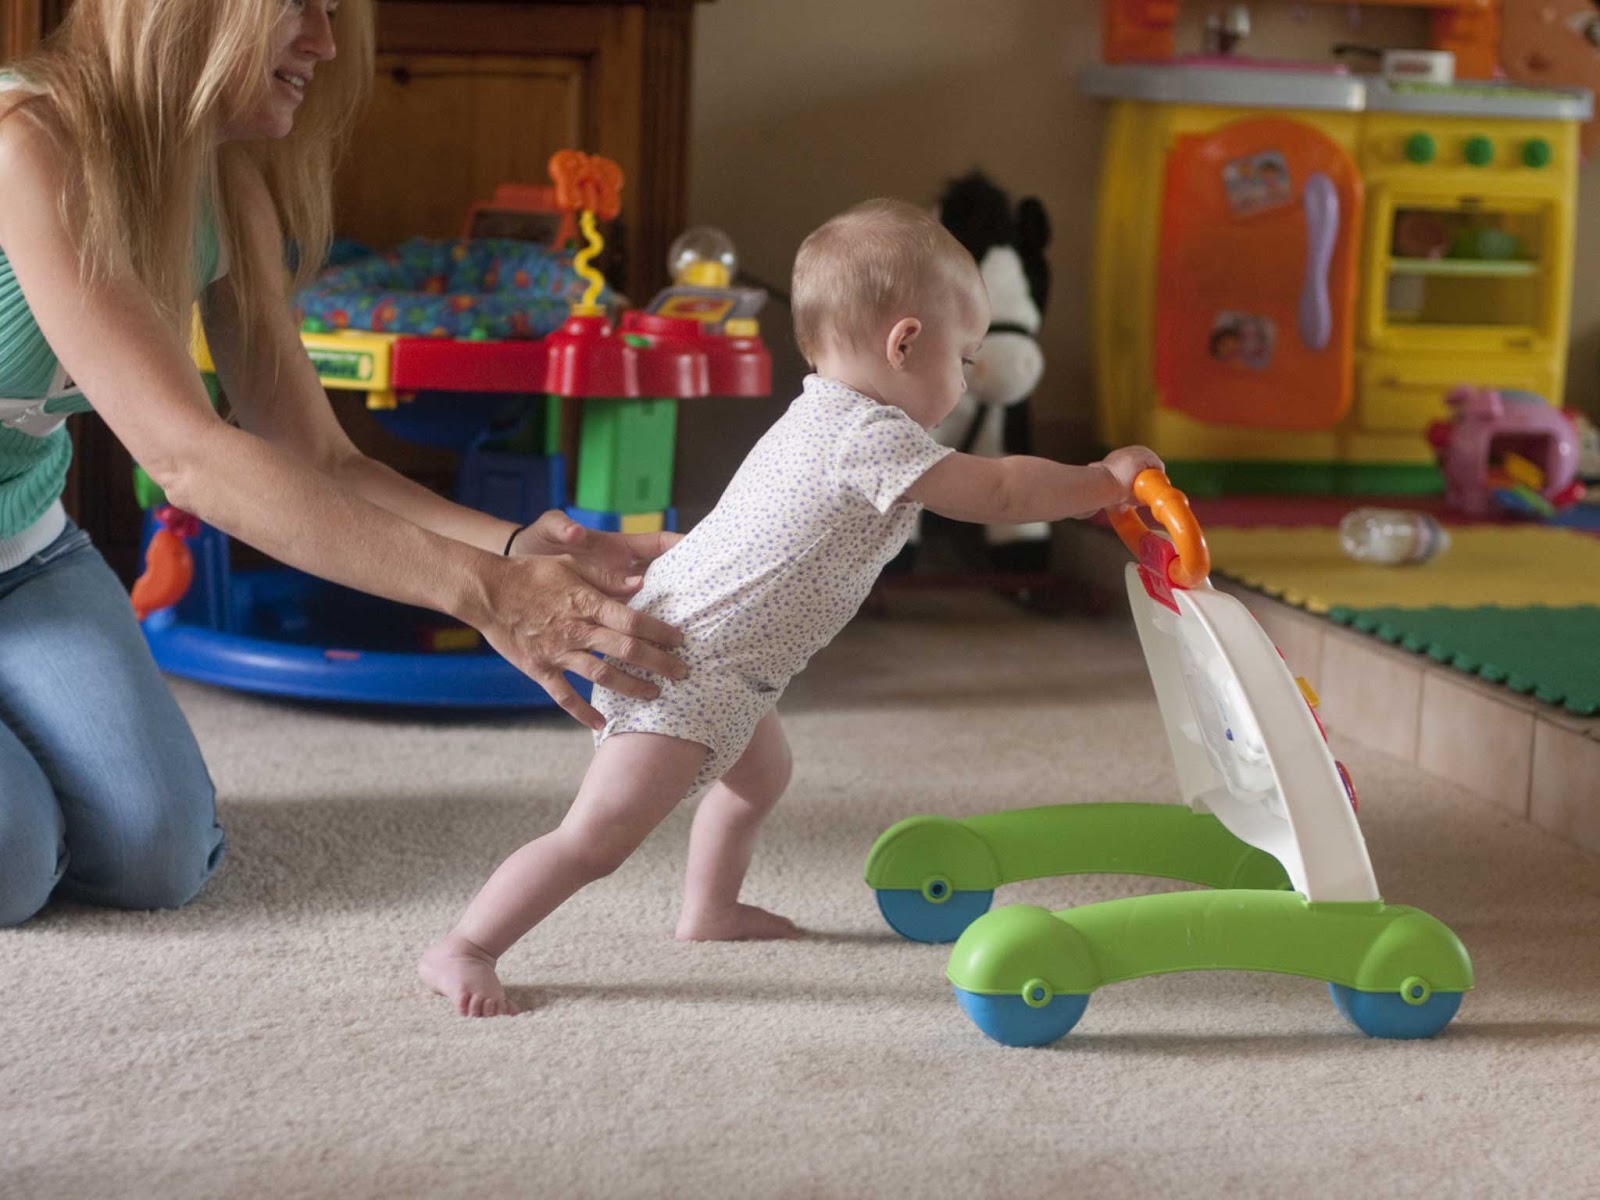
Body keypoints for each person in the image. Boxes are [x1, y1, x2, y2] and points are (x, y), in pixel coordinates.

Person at [0, 0, 686, 928]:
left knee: (158, 857)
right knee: (15, 859)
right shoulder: (26, 141)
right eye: (300, 7)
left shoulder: (224, 183)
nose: (325, 44)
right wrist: (485, 596)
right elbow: (186, 457)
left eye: (334, 12)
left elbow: (318, 454)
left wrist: (516, 550)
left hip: (24, 555)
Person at [419, 198, 1164, 1016]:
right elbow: (1000, 491)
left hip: (735, 669)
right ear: (904, 342)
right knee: (597, 837)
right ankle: (467, 945)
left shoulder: (824, 411)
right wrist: (1102, 481)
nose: (963, 382)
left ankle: (710, 910)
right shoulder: (869, 437)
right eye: (964, 359)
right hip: (680, 665)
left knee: (761, 778)